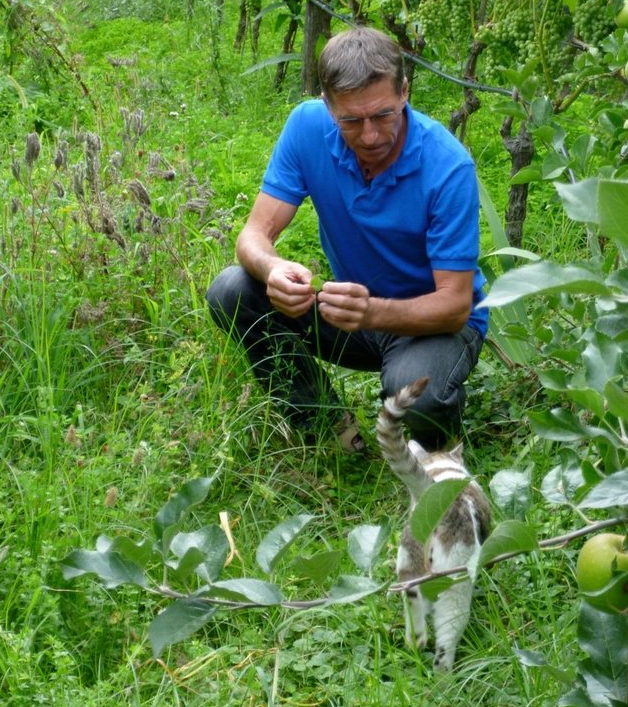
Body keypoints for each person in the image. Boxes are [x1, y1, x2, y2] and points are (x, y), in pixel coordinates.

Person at [206, 25, 488, 452]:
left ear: (405, 93)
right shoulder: (306, 127)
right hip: (352, 313)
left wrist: (371, 312)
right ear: (328, 106)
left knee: (413, 393)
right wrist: (274, 268)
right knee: (232, 288)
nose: (370, 135)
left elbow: (454, 307)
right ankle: (328, 428)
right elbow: (253, 236)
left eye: (383, 115)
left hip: (433, 325)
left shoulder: (447, 167)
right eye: (351, 121)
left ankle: (439, 449)